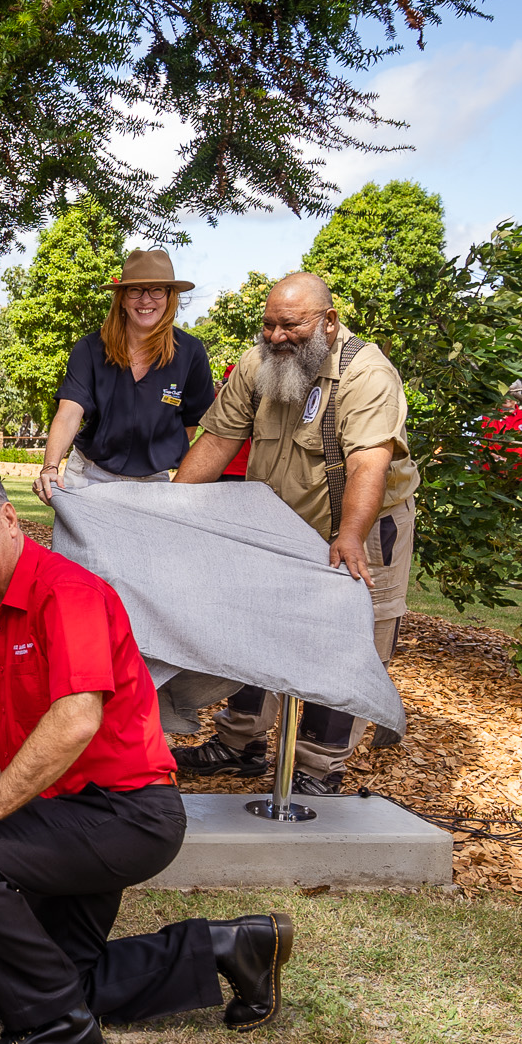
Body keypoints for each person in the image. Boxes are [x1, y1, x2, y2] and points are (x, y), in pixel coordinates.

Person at [0, 464, 293, 1044]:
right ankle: (232, 948)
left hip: (127, 816)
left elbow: (75, 720)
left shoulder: (69, 593)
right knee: (62, 977)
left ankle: (62, 1036)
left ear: (10, 519)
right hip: (71, 814)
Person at [170, 271, 419, 795]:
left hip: (363, 523)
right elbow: (217, 440)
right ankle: (241, 744)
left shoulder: (367, 374)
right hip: (278, 522)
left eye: (291, 326)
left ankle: (318, 765)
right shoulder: (258, 364)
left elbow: (368, 466)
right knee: (257, 625)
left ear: (328, 322)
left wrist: (350, 534)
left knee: (349, 637)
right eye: (269, 325)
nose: (277, 337)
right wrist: (173, 508)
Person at [33, 250, 215, 505]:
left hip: (153, 484)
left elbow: (192, 423)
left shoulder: (191, 353)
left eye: (156, 290)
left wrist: (154, 455)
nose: (145, 299)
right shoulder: (89, 349)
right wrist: (50, 467)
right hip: (89, 476)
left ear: (170, 297)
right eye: (135, 290)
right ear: (122, 298)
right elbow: (69, 411)